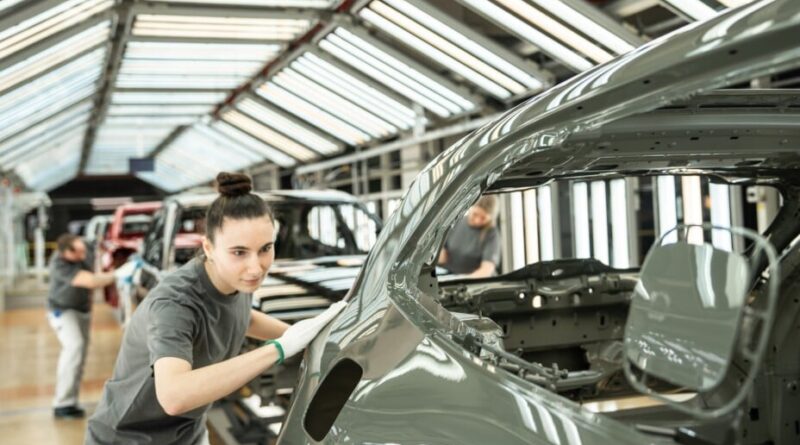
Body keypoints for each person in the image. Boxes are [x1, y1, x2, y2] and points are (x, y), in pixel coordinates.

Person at [86, 172, 346, 444]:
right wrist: (279, 349)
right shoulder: (174, 304)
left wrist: (306, 336)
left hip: (186, 432)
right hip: (130, 438)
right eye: (239, 252)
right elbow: (174, 396)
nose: (256, 267)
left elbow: (239, 316)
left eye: (266, 248)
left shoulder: (233, 280)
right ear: (208, 247)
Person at [47, 234, 117, 419]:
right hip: (63, 311)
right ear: (65, 253)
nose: (84, 255)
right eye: (78, 253)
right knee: (74, 347)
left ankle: (71, 401)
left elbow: (101, 247)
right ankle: (62, 404)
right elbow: (91, 281)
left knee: (80, 355)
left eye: (84, 250)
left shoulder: (83, 246)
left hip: (83, 310)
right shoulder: (58, 264)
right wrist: (119, 274)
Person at [438, 195, 501, 278]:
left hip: (474, 281)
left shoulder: (491, 233)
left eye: (483, 218)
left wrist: (461, 280)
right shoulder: (456, 222)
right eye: (475, 214)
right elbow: (441, 253)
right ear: (471, 207)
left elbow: (486, 270)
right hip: (449, 275)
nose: (477, 220)